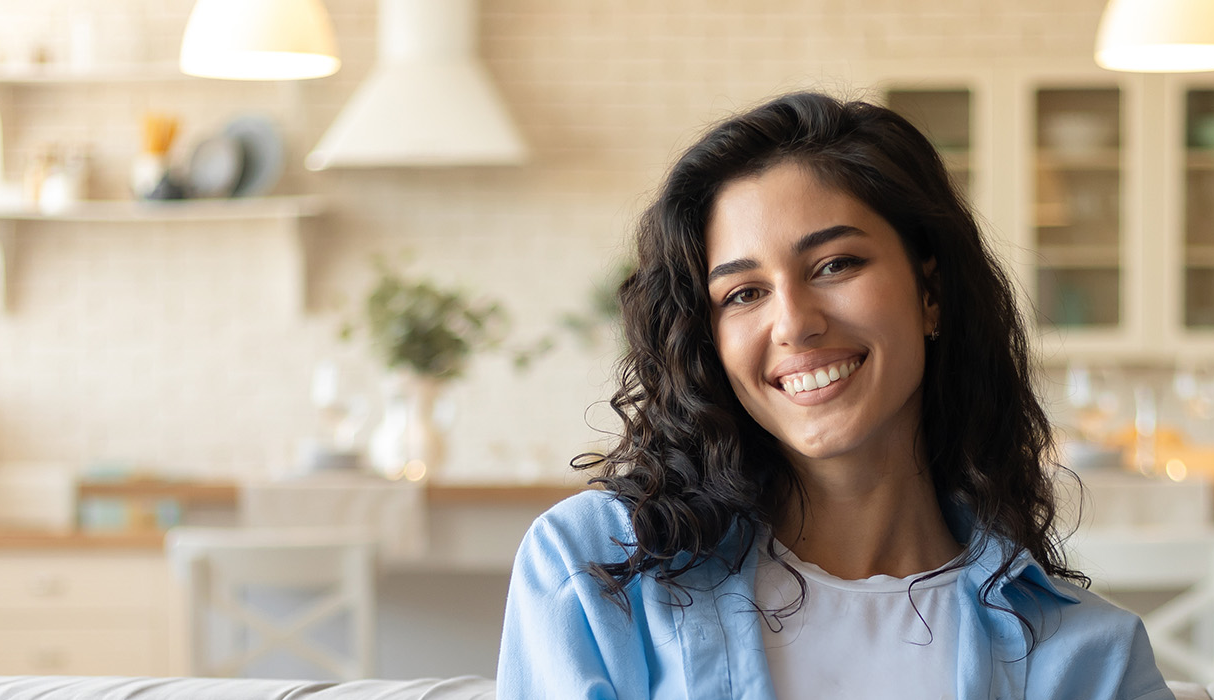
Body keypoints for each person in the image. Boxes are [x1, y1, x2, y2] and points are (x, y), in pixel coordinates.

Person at [498, 91, 1171, 700]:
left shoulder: (1092, 660)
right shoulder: (596, 572)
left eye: (835, 265)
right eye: (744, 293)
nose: (793, 323)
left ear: (929, 292)